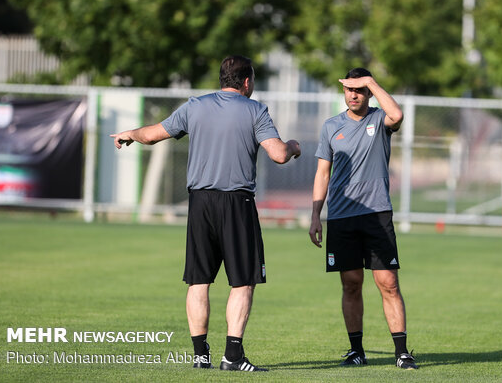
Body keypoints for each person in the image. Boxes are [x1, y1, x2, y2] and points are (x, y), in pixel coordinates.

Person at [111, 55, 301, 372]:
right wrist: (294, 145)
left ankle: (201, 355)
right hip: (236, 203)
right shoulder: (255, 110)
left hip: (199, 203)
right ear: (246, 82)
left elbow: (153, 134)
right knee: (242, 282)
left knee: (199, 281)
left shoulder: (194, 106)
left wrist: (128, 134)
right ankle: (233, 356)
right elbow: (279, 154)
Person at [308, 67, 418, 370]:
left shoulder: (379, 120)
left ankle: (402, 352)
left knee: (388, 283)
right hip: (342, 218)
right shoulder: (331, 126)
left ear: (368, 92)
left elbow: (397, 115)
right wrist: (316, 215)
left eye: (359, 89)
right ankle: (356, 351)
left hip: (376, 215)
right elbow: (322, 172)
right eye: (349, 89)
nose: (353, 94)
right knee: (351, 283)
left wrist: (371, 81)